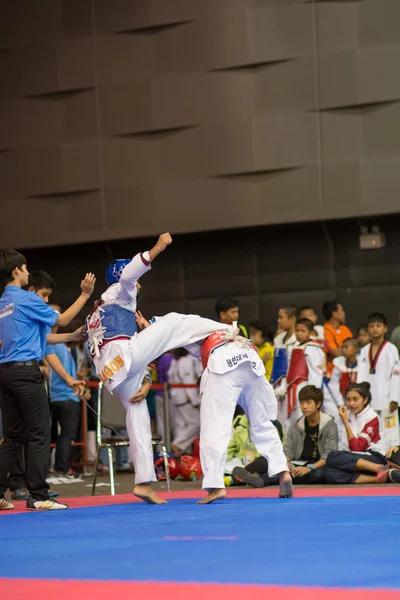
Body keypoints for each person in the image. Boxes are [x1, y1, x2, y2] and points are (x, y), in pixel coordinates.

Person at [86, 233, 235, 505]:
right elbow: (130, 272)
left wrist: (144, 380)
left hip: (113, 373)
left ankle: (143, 483)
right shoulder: (120, 290)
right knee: (175, 322)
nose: (138, 284)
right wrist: (159, 246)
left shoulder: (98, 312)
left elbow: (124, 349)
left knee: (138, 417)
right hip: (124, 357)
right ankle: (227, 331)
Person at [0, 249, 95, 511]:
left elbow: (39, 339)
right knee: (40, 433)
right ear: (16, 271)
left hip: (6, 372)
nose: (28, 272)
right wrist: (85, 294)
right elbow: (62, 319)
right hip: (26, 373)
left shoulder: (3, 303)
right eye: (26, 267)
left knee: (12, 437)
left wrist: (70, 337)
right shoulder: (26, 298)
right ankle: (39, 495)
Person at [184, 324, 293, 504]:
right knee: (262, 424)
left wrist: (152, 326)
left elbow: (175, 333)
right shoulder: (228, 333)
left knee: (215, 427)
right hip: (250, 359)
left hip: (222, 366)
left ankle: (216, 486)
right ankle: (283, 472)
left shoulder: (198, 330)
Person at [232, 385, 338, 487]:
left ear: (318, 404)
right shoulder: (296, 424)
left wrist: (310, 468)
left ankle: (258, 479)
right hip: (297, 464)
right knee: (269, 461)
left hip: (317, 466)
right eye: (301, 403)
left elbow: (328, 456)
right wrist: (286, 462)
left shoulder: (329, 424)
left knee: (320, 474)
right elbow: (288, 451)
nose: (304, 406)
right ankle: (246, 475)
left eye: (308, 403)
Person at [324, 382, 400, 484]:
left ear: (365, 400)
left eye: (355, 399)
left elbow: (357, 447)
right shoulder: (347, 414)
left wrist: (346, 422)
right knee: (329, 473)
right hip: (355, 458)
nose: (351, 403)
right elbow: (343, 445)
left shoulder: (372, 417)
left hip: (376, 456)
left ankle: (380, 468)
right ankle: (383, 477)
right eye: (348, 399)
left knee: (333, 456)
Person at [357, 313, 400, 445]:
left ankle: (393, 458)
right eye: (371, 326)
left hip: (387, 396)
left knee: (390, 432)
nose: (374, 329)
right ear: (368, 329)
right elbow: (361, 374)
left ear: (385, 328)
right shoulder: (364, 350)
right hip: (368, 397)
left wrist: (394, 398)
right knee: (369, 430)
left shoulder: (391, 349)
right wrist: (359, 395)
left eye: (378, 326)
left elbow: (396, 375)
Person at [275, 318, 325, 430]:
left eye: (303, 331)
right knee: (290, 420)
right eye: (297, 331)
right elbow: (289, 370)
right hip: (291, 388)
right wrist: (284, 386)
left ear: (310, 332)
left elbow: (316, 372)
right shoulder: (296, 346)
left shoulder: (312, 347)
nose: (299, 334)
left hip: (304, 387)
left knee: (302, 418)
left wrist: (312, 393)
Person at [168, 348, 202, 457]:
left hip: (175, 398)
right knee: (197, 423)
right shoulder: (185, 361)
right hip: (185, 398)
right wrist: (195, 399)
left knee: (180, 425)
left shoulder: (174, 362)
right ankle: (178, 444)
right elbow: (188, 381)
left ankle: (180, 453)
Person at [325, 337, 359, 418]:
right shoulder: (338, 366)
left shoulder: (363, 364)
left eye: (346, 347)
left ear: (356, 349)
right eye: (342, 347)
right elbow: (333, 385)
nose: (343, 350)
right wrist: (340, 403)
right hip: (345, 401)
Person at [322, 300, 353, 378]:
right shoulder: (324, 331)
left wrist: (340, 349)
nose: (344, 313)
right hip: (332, 375)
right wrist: (347, 350)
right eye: (341, 310)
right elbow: (336, 354)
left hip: (349, 372)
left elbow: (354, 351)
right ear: (334, 314)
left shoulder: (345, 329)